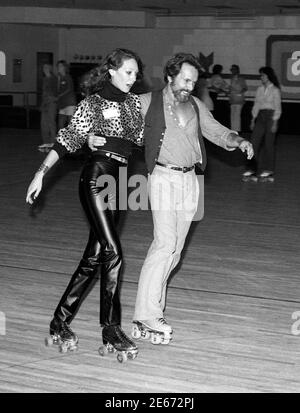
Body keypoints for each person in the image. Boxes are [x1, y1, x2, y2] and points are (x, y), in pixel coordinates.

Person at [89, 53, 253, 345]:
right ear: (170, 76)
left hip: (191, 180)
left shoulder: (195, 105)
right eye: (185, 79)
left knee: (175, 251)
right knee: (164, 244)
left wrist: (237, 140)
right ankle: (149, 313)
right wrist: (90, 135)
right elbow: (112, 115)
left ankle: (148, 311)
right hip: (162, 177)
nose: (190, 85)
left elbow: (215, 131)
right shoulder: (146, 102)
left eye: (194, 81)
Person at [26, 48, 144, 362]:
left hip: (122, 180)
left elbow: (143, 140)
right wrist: (40, 174)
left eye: (136, 73)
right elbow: (67, 139)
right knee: (113, 251)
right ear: (114, 71)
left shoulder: (134, 103)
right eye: (130, 72)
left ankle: (59, 322)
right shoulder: (92, 104)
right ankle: (111, 328)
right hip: (97, 176)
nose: (135, 78)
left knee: (94, 256)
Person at [242, 66, 281, 182]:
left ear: (268, 76)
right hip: (260, 117)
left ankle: (269, 170)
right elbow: (256, 105)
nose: (261, 77)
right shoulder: (259, 89)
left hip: (271, 117)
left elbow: (278, 108)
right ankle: (252, 169)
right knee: (253, 143)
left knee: (269, 145)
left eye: (262, 75)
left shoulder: (275, 90)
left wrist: (275, 122)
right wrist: (253, 119)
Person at [38, 63, 57, 153]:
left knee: (51, 123)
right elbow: (44, 93)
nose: (44, 69)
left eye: (46, 67)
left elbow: (57, 91)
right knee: (43, 124)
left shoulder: (53, 79)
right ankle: (46, 143)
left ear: (50, 68)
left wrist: (54, 98)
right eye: (43, 67)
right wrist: (42, 104)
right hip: (45, 103)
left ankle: (53, 143)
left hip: (51, 103)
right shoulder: (44, 79)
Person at [56, 60, 77, 130]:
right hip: (62, 104)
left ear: (65, 67)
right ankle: (61, 140)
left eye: (60, 66)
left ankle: (72, 140)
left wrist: (59, 95)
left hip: (70, 104)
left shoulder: (68, 77)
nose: (58, 68)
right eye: (58, 66)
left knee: (70, 124)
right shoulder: (59, 78)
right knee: (60, 125)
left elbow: (69, 89)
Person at [229, 64, 247, 133]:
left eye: (233, 69)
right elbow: (231, 89)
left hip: (239, 100)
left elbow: (245, 88)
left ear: (237, 70)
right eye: (231, 70)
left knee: (237, 116)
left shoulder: (241, 79)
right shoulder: (231, 79)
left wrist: (239, 93)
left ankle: (237, 131)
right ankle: (233, 131)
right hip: (232, 100)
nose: (232, 71)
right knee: (232, 116)